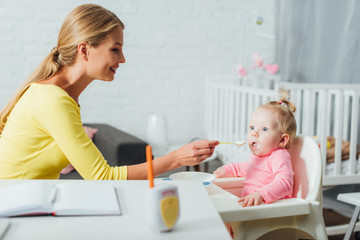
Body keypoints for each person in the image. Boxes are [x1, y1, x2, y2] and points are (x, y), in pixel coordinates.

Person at [0, 4, 219, 180]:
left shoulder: (61, 96)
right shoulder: (53, 99)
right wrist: (176, 158)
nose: (122, 59)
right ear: (84, 50)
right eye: (115, 49)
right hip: (14, 209)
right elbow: (101, 177)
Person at [213, 90, 296, 207]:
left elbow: (285, 183)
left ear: (282, 140)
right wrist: (228, 169)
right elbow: (249, 168)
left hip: (268, 210)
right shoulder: (259, 157)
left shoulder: (279, 155)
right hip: (251, 207)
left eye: (264, 129)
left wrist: (260, 194)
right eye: (252, 127)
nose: (254, 134)